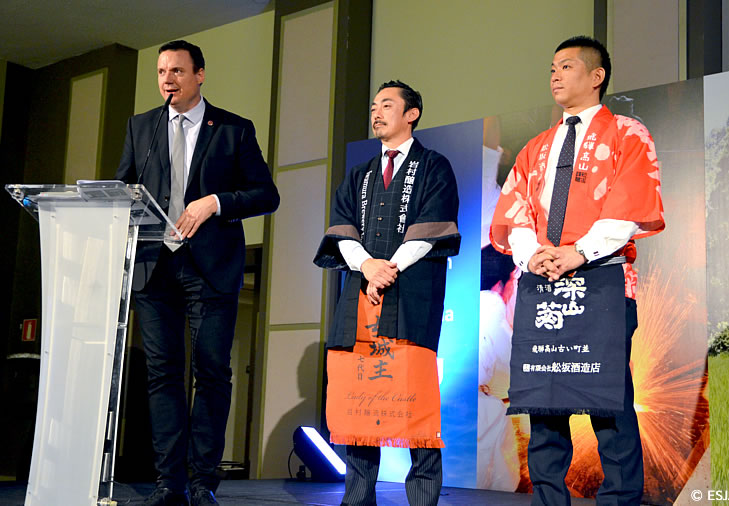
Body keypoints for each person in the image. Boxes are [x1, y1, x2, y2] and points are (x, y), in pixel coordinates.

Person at [490, 36, 664, 505]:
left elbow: (631, 202)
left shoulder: (627, 133)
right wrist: (532, 255)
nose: (555, 75)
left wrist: (579, 252)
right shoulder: (537, 146)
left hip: (603, 280)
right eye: (552, 67)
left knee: (608, 400)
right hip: (544, 283)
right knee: (544, 403)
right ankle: (549, 499)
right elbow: (516, 210)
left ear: (596, 75)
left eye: (566, 66)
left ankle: (620, 499)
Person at [116, 40, 279, 506]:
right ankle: (169, 482)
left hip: (210, 268)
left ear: (200, 75)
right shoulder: (141, 127)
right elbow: (124, 185)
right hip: (154, 266)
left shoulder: (233, 129)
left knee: (210, 373)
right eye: (161, 72)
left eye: (177, 71)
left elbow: (266, 195)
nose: (167, 79)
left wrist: (216, 202)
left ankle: (203, 480)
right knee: (162, 374)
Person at [314, 80, 460, 506]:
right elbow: (341, 229)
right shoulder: (359, 174)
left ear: (412, 114)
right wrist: (367, 267)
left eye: (387, 105)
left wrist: (387, 268)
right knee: (360, 404)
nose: (376, 113)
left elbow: (432, 229)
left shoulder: (433, 166)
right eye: (374, 106)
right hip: (362, 296)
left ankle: (423, 499)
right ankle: (357, 499)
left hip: (411, 296)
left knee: (416, 405)